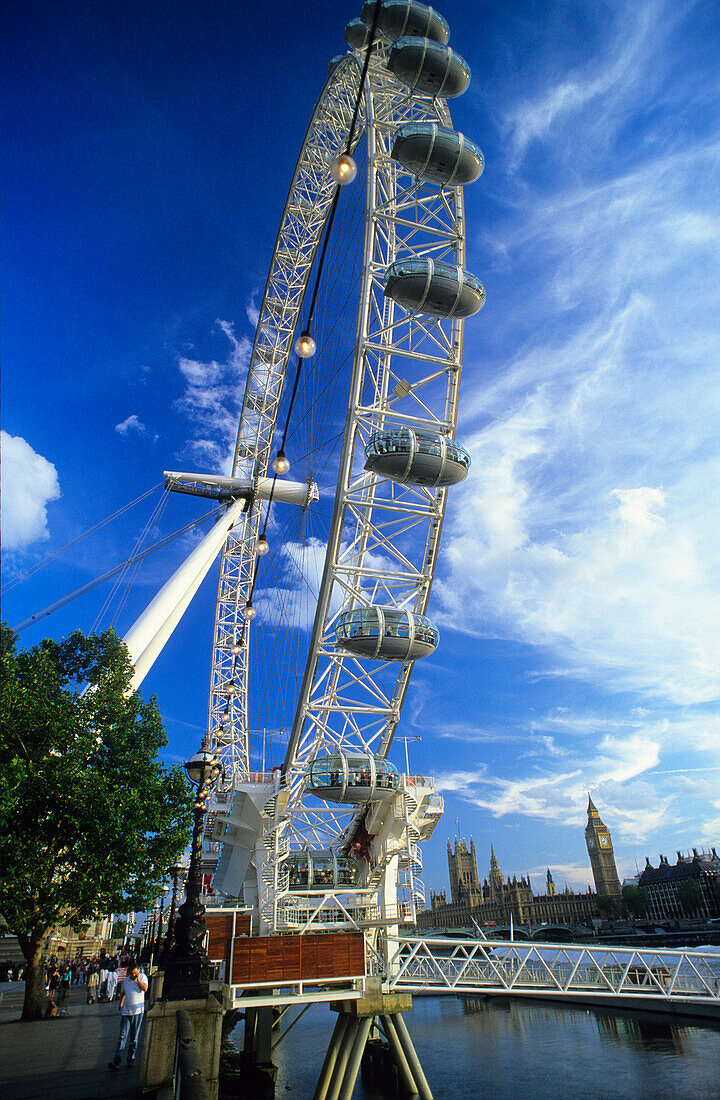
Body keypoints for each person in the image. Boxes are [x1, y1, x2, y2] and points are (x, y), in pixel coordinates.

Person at [108, 962, 148, 1071]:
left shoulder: (143, 977)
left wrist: (138, 979)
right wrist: (121, 1003)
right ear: (129, 972)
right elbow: (123, 993)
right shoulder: (126, 981)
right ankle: (117, 1060)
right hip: (126, 1012)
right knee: (122, 1036)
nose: (135, 974)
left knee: (134, 1037)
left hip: (138, 1012)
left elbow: (145, 988)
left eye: (136, 972)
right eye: (133, 973)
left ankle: (131, 1058)